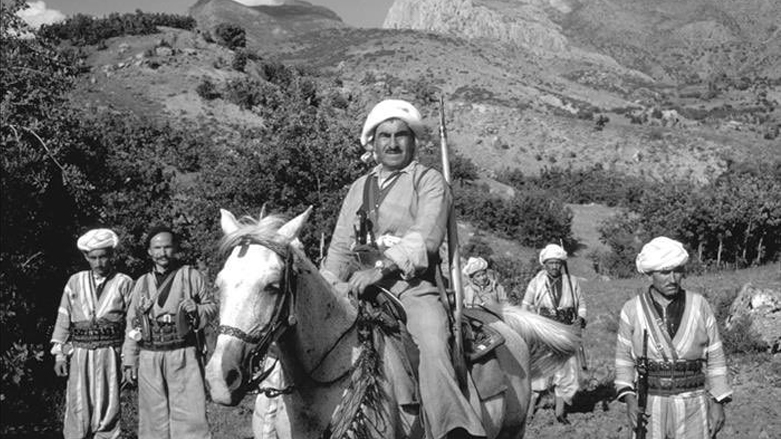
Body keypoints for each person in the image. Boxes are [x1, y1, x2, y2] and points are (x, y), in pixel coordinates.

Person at [321, 99, 485, 439]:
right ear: (373, 142)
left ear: (413, 141)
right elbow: (338, 249)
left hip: (411, 287)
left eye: (401, 135)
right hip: (356, 285)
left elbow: (424, 238)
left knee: (432, 340)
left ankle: (452, 427)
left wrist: (379, 270)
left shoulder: (428, 181)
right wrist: (326, 287)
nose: (392, 143)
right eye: (384, 136)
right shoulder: (357, 188)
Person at [615, 237, 731, 439]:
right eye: (664, 272)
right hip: (650, 404)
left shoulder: (699, 305)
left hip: (693, 403)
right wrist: (630, 400)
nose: (672, 279)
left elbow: (715, 356)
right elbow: (624, 359)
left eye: (677, 271)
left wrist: (718, 402)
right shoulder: (632, 309)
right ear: (650, 273)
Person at [122, 226, 217, 439]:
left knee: (190, 415)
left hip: (184, 353)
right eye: (157, 248)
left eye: (167, 247)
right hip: (149, 355)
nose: (162, 252)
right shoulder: (142, 283)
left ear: (175, 249)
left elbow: (212, 307)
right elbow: (132, 324)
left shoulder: (191, 276)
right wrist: (129, 359)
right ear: (149, 251)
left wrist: (198, 308)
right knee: (152, 417)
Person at [50, 228, 134, 439]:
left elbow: (132, 323)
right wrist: (59, 353)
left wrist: (128, 359)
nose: (99, 263)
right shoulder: (75, 281)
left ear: (111, 256)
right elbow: (64, 316)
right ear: (86, 257)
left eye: (103, 257)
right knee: (79, 403)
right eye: (94, 258)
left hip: (110, 353)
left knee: (108, 404)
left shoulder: (124, 282)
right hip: (80, 353)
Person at [522, 243, 586, 424]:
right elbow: (525, 305)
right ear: (544, 264)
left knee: (566, 370)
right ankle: (529, 412)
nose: (554, 266)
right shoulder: (537, 281)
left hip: (565, 330)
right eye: (551, 263)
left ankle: (560, 412)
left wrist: (580, 319)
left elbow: (581, 303)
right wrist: (530, 325)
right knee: (540, 369)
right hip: (544, 330)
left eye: (558, 263)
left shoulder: (572, 281)